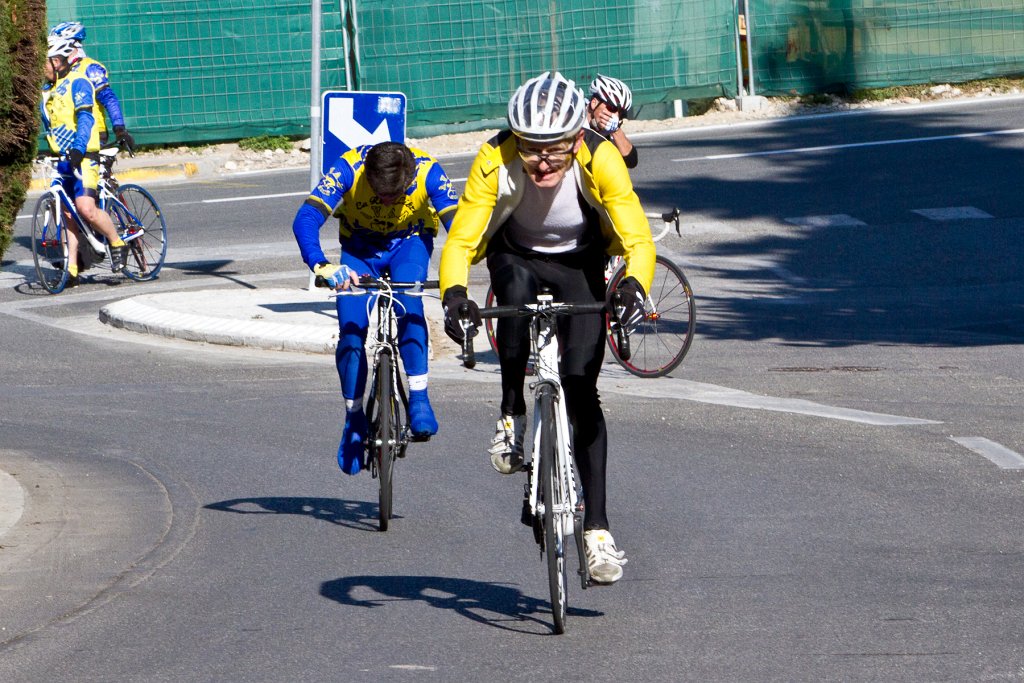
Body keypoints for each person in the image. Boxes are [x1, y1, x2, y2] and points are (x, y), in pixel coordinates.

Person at [438, 71, 655, 584]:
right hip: (516, 254)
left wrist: (633, 287)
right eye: (530, 148)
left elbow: (638, 239)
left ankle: (597, 531)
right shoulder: (494, 157)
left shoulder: (601, 157)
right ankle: (511, 410)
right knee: (513, 299)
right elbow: (462, 239)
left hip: (580, 261)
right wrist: (454, 295)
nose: (541, 162)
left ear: (577, 139)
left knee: (583, 390)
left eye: (554, 150)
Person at [292, 142, 459, 476]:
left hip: (409, 242)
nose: (386, 202)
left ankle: (419, 397)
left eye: (394, 196)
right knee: (352, 332)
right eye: (380, 194)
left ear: (410, 179)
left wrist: (458, 277)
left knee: (410, 303)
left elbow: (460, 227)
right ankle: (353, 418)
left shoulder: (428, 171)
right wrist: (322, 265)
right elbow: (305, 218)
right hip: (359, 248)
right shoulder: (349, 168)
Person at [40, 35, 128, 286]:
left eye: (44, 62)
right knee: (66, 213)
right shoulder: (47, 91)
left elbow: (86, 118)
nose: (40, 68)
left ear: (57, 61)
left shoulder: (80, 81)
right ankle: (72, 269)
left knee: (85, 208)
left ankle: (116, 241)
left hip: (85, 154)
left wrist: (80, 148)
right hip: (62, 157)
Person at [49, 21, 135, 150]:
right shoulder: (58, 71)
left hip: (92, 133)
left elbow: (108, 98)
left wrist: (119, 129)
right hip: (65, 134)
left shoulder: (89, 67)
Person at [586, 74, 637, 169]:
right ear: (594, 103)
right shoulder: (575, 117)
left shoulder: (610, 128)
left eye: (621, 113)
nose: (615, 116)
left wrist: (616, 131)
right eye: (612, 108)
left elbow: (632, 161)